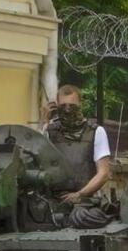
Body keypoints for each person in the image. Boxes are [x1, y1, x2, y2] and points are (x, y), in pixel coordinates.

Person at [44, 84, 113, 229]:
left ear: (80, 104)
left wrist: (80, 194)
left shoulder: (96, 132)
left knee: (82, 218)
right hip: (54, 202)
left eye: (72, 105)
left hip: (85, 203)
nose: (68, 109)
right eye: (63, 105)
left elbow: (103, 173)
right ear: (56, 106)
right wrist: (44, 120)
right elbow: (37, 159)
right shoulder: (49, 131)